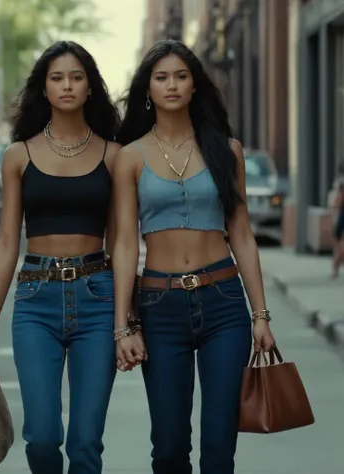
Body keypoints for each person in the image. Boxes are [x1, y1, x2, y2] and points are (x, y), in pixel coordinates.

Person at [112, 39, 276, 474]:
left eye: (181, 76)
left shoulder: (227, 149)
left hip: (223, 303)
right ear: (147, 89)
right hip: (160, 307)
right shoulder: (129, 157)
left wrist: (260, 315)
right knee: (168, 448)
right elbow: (125, 244)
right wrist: (122, 325)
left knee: (220, 448)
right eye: (161, 77)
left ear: (195, 86)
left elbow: (241, 233)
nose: (172, 85)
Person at [0, 40, 122, 474]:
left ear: (90, 87)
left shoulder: (114, 156)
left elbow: (120, 242)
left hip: (97, 296)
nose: (67, 86)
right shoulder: (17, 156)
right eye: (57, 78)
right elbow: (7, 243)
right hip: (35, 300)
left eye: (77, 77)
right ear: (43, 88)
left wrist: (125, 317)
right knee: (41, 439)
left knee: (85, 443)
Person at [330, 162, 344, 278]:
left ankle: (335, 268)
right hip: (341, 213)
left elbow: (339, 198)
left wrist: (334, 209)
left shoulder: (340, 182)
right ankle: (335, 267)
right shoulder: (340, 182)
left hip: (341, 213)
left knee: (339, 242)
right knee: (339, 242)